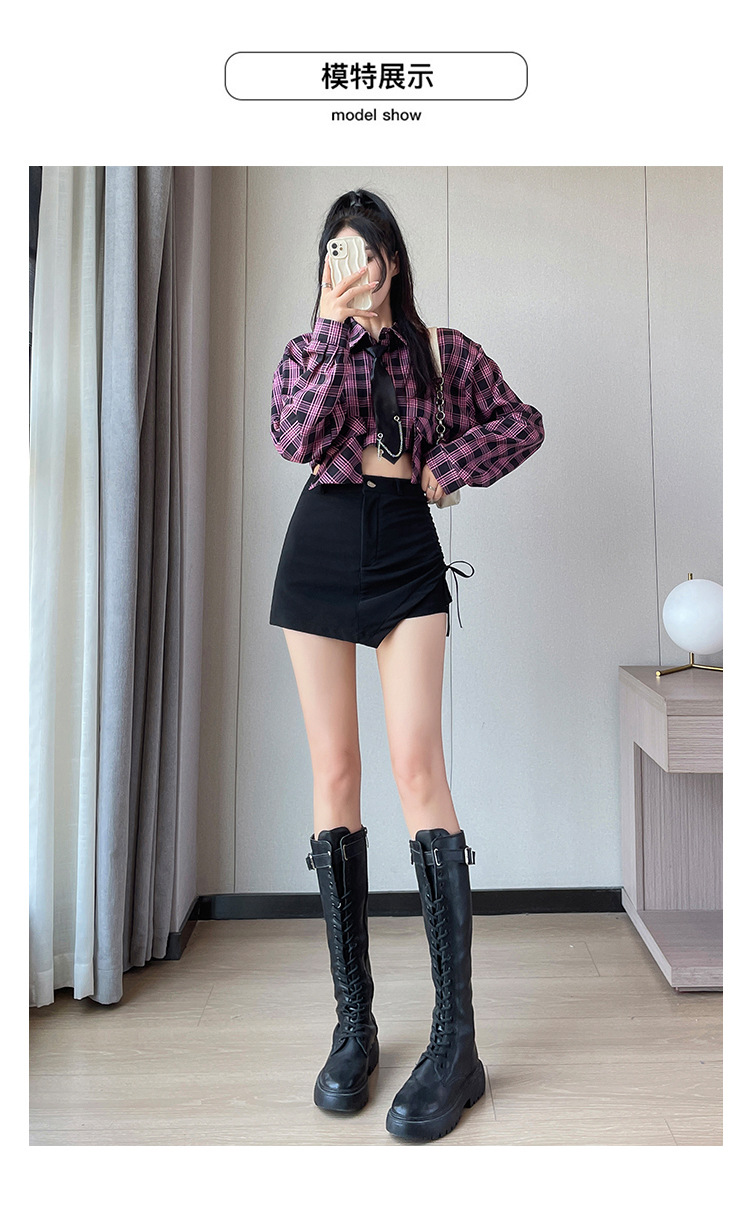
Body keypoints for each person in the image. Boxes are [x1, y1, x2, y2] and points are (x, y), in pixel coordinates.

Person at [269, 188, 545, 1142]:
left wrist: (449, 465)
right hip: (318, 542)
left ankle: (456, 1044)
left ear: (391, 259)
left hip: (403, 547)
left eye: (366, 250)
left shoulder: (441, 351)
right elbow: (294, 439)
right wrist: (329, 329)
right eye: (336, 252)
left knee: (419, 767)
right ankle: (355, 1027)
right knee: (335, 772)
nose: (354, 267)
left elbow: (522, 421)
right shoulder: (309, 349)